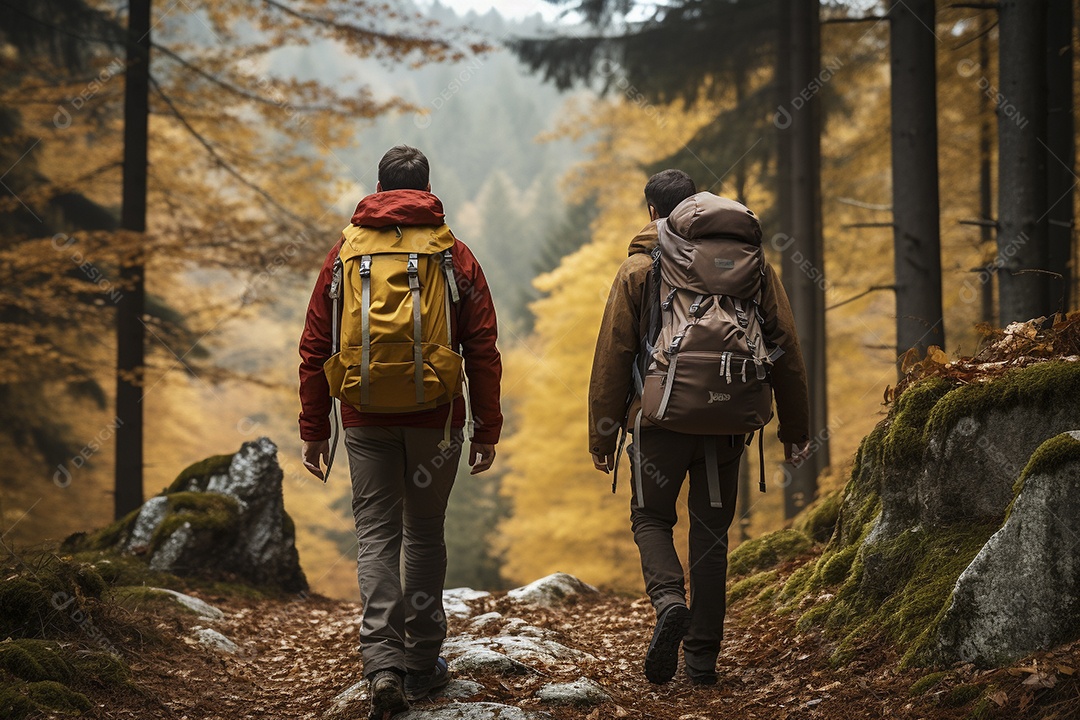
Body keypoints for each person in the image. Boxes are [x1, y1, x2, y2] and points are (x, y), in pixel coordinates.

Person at [298, 145, 502, 718]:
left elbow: (316, 345)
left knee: (376, 536)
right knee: (425, 533)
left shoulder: (345, 254)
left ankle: (381, 663)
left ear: (379, 188)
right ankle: (422, 662)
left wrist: (315, 428)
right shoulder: (453, 254)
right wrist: (486, 426)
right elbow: (482, 347)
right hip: (437, 418)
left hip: (363, 415)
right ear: (426, 189)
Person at [588, 169, 810, 686]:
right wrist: (795, 429)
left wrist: (603, 434)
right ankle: (703, 660)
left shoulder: (639, 268)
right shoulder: (751, 267)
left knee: (650, 517)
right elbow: (786, 350)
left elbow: (614, 355)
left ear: (652, 213)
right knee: (711, 537)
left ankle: (669, 601)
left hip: (659, 419)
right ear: (697, 208)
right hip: (727, 422)